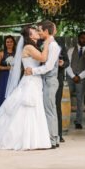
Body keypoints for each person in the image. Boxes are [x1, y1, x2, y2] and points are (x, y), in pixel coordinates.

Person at [0, 26, 52, 150]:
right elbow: (43, 58)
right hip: (30, 81)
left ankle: (35, 139)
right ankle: (22, 139)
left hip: (34, 79)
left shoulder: (34, 46)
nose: (37, 32)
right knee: (27, 107)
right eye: (34, 31)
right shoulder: (28, 47)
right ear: (30, 36)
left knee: (34, 108)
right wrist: (47, 43)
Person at [25, 20, 61, 148]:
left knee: (49, 110)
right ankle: (54, 138)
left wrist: (32, 70)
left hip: (50, 81)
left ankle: (52, 140)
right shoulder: (48, 44)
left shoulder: (53, 46)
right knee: (51, 110)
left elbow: (48, 67)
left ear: (46, 31)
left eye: (40, 30)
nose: (39, 32)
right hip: (46, 81)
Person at [66, 31, 85, 129]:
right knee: (66, 99)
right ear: (78, 38)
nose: (84, 40)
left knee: (80, 100)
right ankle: (65, 119)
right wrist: (73, 76)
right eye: (82, 38)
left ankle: (78, 121)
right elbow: (67, 64)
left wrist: (79, 76)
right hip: (70, 77)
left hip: (82, 78)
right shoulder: (71, 50)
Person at [0, 35, 16, 109]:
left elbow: (21, 67)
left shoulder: (17, 53)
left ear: (13, 43)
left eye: (11, 42)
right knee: (2, 92)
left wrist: (15, 69)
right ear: (5, 43)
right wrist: (6, 68)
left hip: (13, 77)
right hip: (4, 77)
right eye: (7, 42)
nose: (9, 43)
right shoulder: (1, 53)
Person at [55, 37, 70, 143]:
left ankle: (59, 134)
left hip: (57, 78)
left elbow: (67, 62)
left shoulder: (60, 42)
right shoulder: (39, 42)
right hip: (41, 79)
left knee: (57, 106)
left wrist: (62, 63)